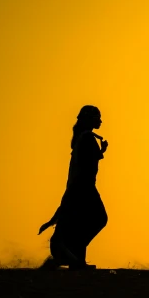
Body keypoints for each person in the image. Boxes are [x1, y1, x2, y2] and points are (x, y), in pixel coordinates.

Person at [39, 105, 109, 270]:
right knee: (99, 219)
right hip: (84, 186)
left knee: (83, 221)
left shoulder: (83, 138)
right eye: (96, 117)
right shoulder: (86, 139)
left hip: (80, 186)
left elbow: (86, 160)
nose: (100, 120)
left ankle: (76, 259)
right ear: (89, 119)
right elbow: (86, 165)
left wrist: (100, 152)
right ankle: (72, 252)